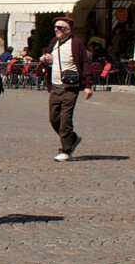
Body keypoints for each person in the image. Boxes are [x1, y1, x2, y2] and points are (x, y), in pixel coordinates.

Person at [41, 14, 98, 162]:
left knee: (65, 120)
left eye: (60, 28)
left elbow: (85, 63)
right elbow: (47, 56)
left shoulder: (76, 43)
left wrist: (88, 85)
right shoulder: (54, 42)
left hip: (71, 88)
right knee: (54, 119)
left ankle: (66, 151)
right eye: (55, 27)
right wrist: (45, 59)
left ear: (68, 29)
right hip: (56, 87)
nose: (56, 30)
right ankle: (72, 138)